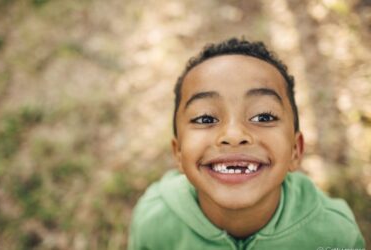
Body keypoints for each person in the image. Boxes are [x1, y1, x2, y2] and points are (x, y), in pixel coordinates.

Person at [128, 38, 365, 249]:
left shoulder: (335, 235)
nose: (233, 134)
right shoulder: (153, 222)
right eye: (205, 118)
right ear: (178, 153)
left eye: (263, 117)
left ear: (295, 150)